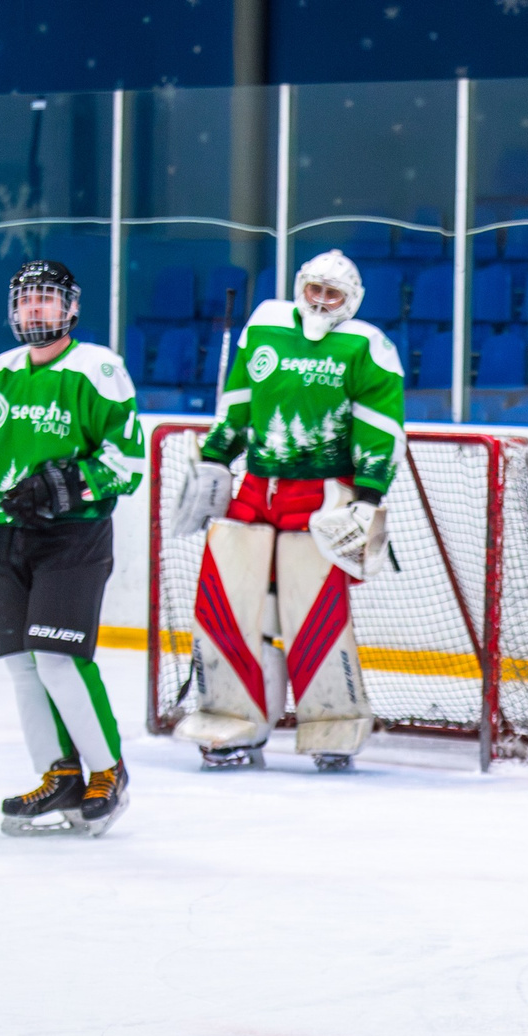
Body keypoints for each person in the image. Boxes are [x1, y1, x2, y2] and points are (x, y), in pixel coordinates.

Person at [167, 251, 407, 771]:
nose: (321, 301)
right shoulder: (267, 325)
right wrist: (214, 456)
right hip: (255, 490)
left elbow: (380, 424)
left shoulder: (368, 346)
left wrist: (368, 494)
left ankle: (332, 729)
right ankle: (232, 725)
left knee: (316, 617)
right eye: (314, 289)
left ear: (352, 301)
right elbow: (238, 399)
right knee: (227, 611)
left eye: (333, 294)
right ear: (300, 287)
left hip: (321, 498)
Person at [0, 259, 147, 837]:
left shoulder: (98, 369)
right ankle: (60, 775)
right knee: (23, 667)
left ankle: (107, 771)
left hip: (72, 538)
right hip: (8, 538)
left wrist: (66, 484)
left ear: (71, 308)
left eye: (47, 299)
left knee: (59, 659)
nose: (36, 308)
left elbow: (127, 464)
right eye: (27, 299)